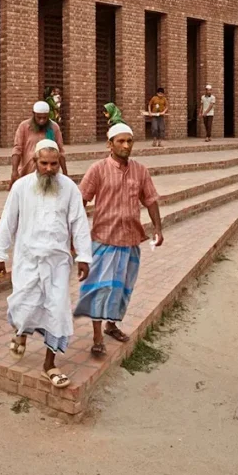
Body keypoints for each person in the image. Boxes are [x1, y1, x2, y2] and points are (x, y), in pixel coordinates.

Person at [0, 140, 92, 389]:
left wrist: (84, 256)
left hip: (57, 262)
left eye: (53, 164)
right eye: (43, 163)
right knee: (24, 304)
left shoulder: (69, 188)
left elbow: (79, 223)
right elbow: (8, 221)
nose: (48, 168)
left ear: (60, 163)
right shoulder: (21, 187)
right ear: (34, 162)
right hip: (27, 258)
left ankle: (50, 364)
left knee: (57, 310)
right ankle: (21, 333)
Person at [74, 123, 162, 356]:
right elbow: (80, 202)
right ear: (109, 144)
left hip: (131, 241)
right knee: (100, 289)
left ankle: (111, 325)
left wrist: (158, 228)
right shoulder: (98, 169)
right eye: (121, 141)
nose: (126, 145)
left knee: (122, 289)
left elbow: (150, 200)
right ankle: (96, 337)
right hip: (104, 240)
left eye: (129, 141)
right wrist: (77, 236)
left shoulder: (140, 170)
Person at [11, 101, 68, 184]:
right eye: (39, 117)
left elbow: (60, 151)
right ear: (33, 114)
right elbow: (17, 149)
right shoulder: (24, 126)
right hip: (27, 173)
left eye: (45, 118)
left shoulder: (54, 127)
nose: (42, 121)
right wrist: (14, 171)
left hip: (49, 173)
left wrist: (65, 173)